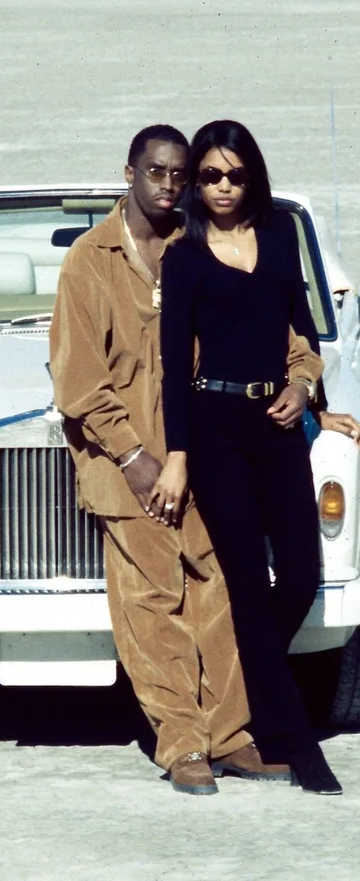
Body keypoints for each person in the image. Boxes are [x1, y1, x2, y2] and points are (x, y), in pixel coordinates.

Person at [49, 123, 326, 795]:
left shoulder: (200, 244)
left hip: (206, 451)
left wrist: (307, 387)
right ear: (129, 173)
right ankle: (182, 745)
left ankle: (233, 738)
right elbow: (79, 381)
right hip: (127, 466)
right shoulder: (92, 260)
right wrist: (137, 456)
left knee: (224, 594)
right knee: (152, 605)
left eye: (180, 175)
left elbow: (283, 331)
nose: (170, 187)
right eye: (157, 173)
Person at [154, 119, 344, 795]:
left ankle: (255, 701)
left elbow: (303, 326)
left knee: (297, 577)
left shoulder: (280, 235)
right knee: (245, 582)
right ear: (194, 185)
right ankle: (295, 743)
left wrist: (308, 395)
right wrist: (177, 455)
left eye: (234, 174)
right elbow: (175, 365)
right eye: (209, 176)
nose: (222, 187)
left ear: (252, 176)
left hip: (276, 420)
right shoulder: (183, 256)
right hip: (215, 428)